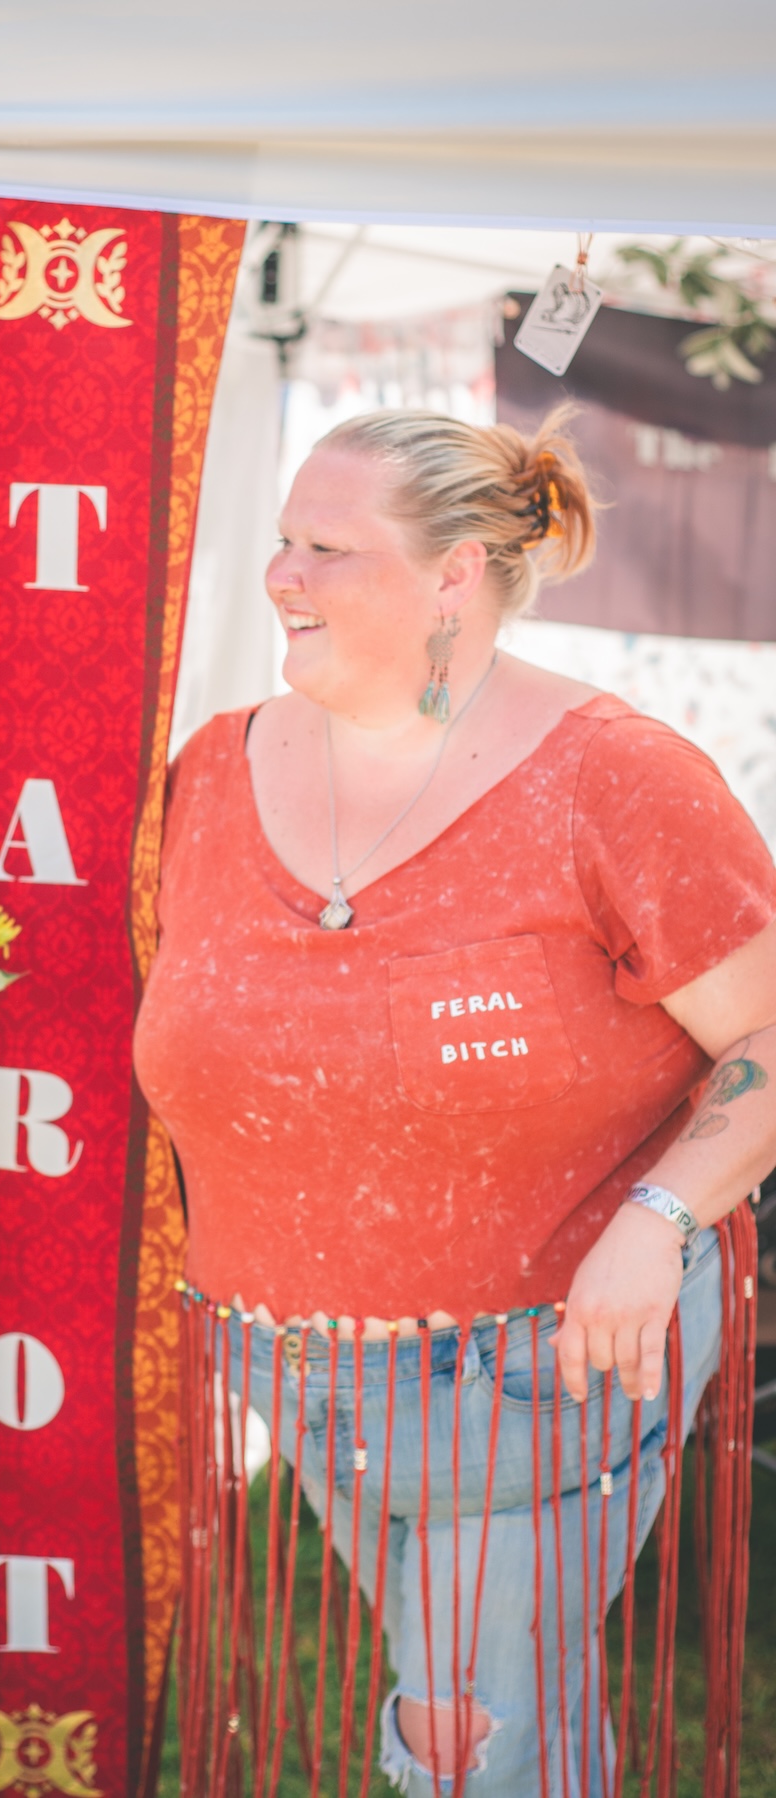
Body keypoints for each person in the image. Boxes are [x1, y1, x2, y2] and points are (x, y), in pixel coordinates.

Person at [133, 407, 776, 1796]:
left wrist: (659, 1215)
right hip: (303, 1375)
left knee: (463, 1740)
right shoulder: (210, 774)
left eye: (329, 548)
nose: (282, 576)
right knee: (504, 1714)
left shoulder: (616, 777)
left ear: (456, 574)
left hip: (547, 1363)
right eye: (285, 541)